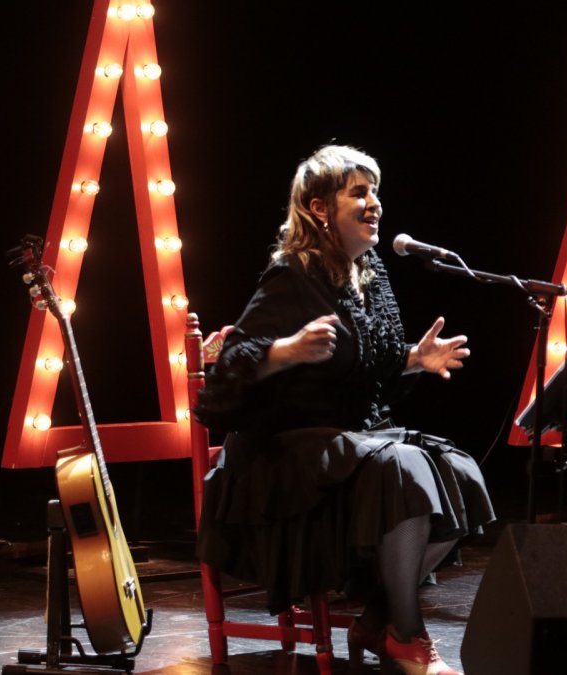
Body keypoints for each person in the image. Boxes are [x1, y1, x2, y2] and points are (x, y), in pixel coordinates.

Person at [194, 144, 494, 675]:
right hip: (287, 460)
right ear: (318, 208)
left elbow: (371, 372)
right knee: (405, 466)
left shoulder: (369, 276)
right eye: (358, 192)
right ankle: (407, 636)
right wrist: (284, 351)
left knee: (460, 472)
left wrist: (412, 362)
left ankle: (379, 621)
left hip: (350, 449)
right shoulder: (291, 275)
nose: (374, 202)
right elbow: (220, 382)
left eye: (375, 191)